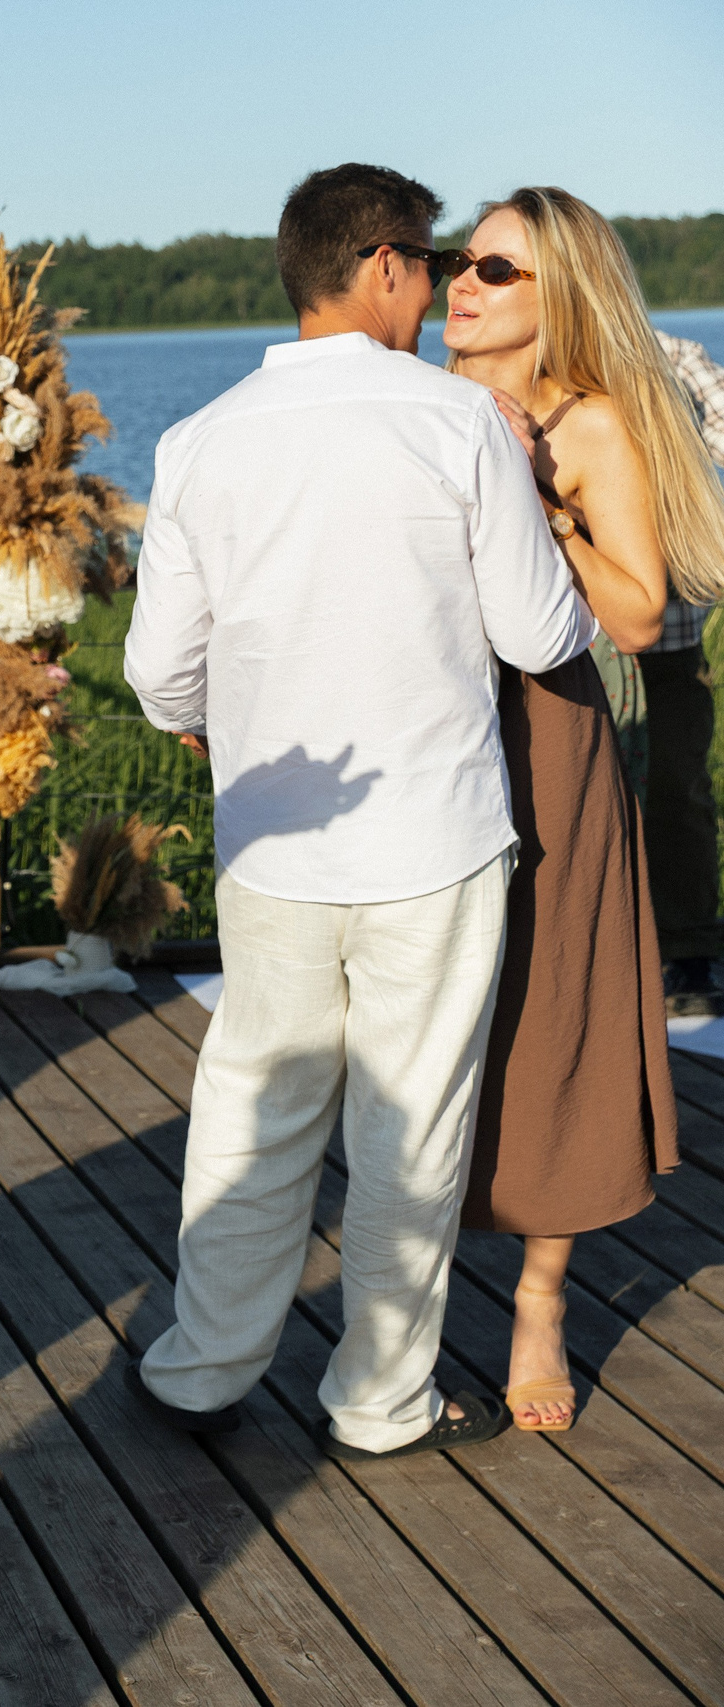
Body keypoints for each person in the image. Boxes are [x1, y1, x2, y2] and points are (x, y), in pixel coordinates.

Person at [122, 163, 596, 1461]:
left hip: (274, 841)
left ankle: (202, 1369)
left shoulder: (200, 441)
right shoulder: (459, 425)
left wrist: (225, 718)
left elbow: (158, 674)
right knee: (410, 1130)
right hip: (434, 841)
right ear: (385, 263)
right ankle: (381, 1400)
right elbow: (540, 632)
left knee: (254, 1107)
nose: (438, 290)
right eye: (433, 264)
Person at [443, 188, 724, 1429]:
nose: (461, 282)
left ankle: (539, 1299)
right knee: (438, 1016)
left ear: (558, 290)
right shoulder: (419, 399)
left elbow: (640, 612)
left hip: (548, 740)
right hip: (427, 735)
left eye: (495, 268)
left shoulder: (589, 422)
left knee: (556, 1004)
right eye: (457, 260)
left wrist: (532, 498)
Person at [648, 330, 724, 1016]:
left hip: (669, 632)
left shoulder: (674, 359)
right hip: (564, 636)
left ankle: (689, 952)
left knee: (678, 792)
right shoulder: (513, 351)